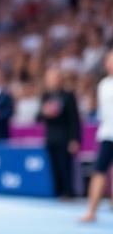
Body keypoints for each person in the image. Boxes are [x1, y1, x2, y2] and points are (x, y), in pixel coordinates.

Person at [80, 50, 113, 224]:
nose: (110, 63)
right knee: (99, 172)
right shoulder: (103, 84)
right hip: (107, 135)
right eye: (108, 60)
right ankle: (91, 211)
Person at [40, 67, 82, 199]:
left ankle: (68, 192)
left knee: (66, 166)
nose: (51, 81)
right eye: (49, 79)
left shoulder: (68, 96)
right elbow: (38, 116)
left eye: (54, 78)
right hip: (51, 137)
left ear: (60, 79)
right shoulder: (46, 96)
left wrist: (75, 139)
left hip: (65, 136)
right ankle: (56, 191)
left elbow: (74, 119)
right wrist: (45, 113)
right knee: (54, 166)